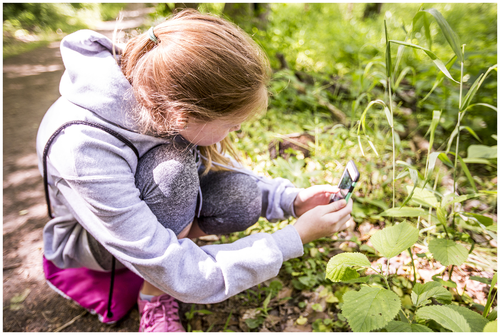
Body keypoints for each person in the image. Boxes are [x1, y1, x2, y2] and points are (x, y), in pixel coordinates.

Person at [36, 9, 353, 332]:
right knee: (174, 169)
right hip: (92, 246)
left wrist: (292, 201)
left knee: (242, 196)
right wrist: (293, 237)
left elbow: (220, 168)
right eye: (232, 125)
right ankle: (154, 296)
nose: (238, 129)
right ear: (181, 116)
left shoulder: (157, 87)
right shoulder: (81, 147)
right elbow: (183, 274)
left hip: (140, 219)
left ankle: (175, 241)